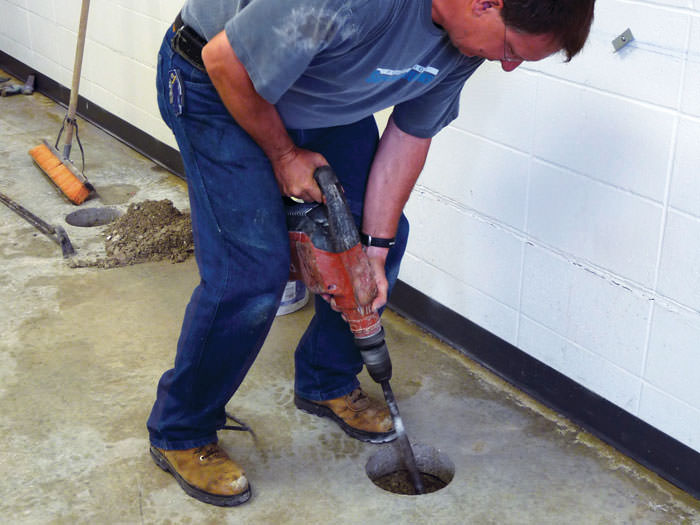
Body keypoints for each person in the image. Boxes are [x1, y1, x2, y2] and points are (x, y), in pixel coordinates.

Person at [147, 0, 595, 507]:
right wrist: (284, 155)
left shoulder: (469, 46)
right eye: (511, 49)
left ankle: (325, 380)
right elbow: (226, 61)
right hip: (217, 80)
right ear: (484, 2)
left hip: (315, 94)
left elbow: (410, 135)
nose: (507, 65)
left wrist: (374, 254)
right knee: (250, 272)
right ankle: (181, 430)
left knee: (377, 238)